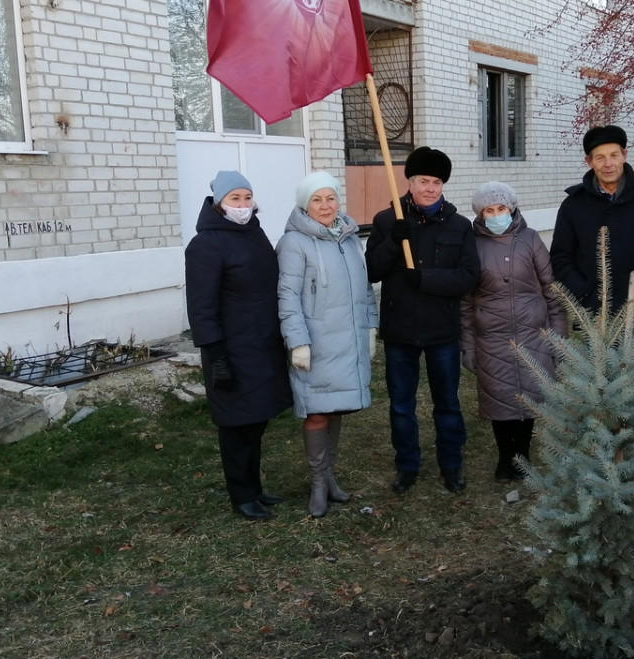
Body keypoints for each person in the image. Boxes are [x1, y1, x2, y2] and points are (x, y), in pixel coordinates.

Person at [365, 147, 480, 494]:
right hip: (400, 329)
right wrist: (392, 241)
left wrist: (426, 278)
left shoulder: (459, 226)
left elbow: (468, 276)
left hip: (441, 329)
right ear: (410, 182)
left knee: (447, 402)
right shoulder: (387, 220)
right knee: (402, 405)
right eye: (423, 181)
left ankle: (451, 463)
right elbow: (371, 271)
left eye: (436, 182)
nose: (430, 188)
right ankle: (407, 465)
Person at [184, 170, 293, 521]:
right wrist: (215, 355)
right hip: (230, 350)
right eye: (235, 198)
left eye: (247, 197)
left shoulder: (254, 234)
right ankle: (241, 495)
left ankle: (255, 488)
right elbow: (201, 308)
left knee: (256, 420)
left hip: (262, 345)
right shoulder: (205, 245)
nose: (243, 204)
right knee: (236, 425)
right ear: (219, 203)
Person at [276, 171, 378, 518]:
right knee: (317, 411)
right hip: (315, 343)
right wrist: (297, 342)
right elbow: (287, 296)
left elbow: (364, 287)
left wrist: (370, 327)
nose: (325, 206)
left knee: (336, 407)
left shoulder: (349, 238)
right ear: (305, 205)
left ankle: (330, 477)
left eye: (330, 198)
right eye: (317, 200)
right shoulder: (294, 243)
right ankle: (318, 483)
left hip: (347, 338)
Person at [461, 182, 567, 482]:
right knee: (500, 399)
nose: (496, 215)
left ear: (512, 209)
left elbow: (551, 291)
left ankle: (523, 456)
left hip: (533, 334)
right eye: (489, 210)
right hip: (491, 338)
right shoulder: (472, 245)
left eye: (501, 208)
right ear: (481, 215)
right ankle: (505, 458)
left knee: (530, 397)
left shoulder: (530, 239)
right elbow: (465, 302)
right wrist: (467, 346)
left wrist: (558, 339)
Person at [549, 125, 634, 317]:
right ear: (589, 161)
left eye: (614, 155)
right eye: (600, 157)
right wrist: (584, 292)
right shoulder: (574, 204)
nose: (608, 164)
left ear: (624, 155)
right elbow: (560, 257)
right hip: (594, 315)